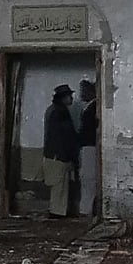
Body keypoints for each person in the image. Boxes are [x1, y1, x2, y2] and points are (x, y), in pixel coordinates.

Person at [43, 84, 78, 219]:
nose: (71, 99)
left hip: (53, 153)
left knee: (58, 185)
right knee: (60, 185)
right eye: (69, 96)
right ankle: (57, 212)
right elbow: (65, 136)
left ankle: (57, 210)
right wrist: (69, 156)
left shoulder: (52, 110)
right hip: (60, 154)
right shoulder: (60, 112)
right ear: (63, 98)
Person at [78, 80, 99, 216]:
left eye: (84, 91)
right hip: (87, 146)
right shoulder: (89, 107)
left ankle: (87, 209)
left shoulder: (94, 107)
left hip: (90, 146)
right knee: (86, 178)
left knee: (89, 178)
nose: (81, 94)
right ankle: (86, 208)